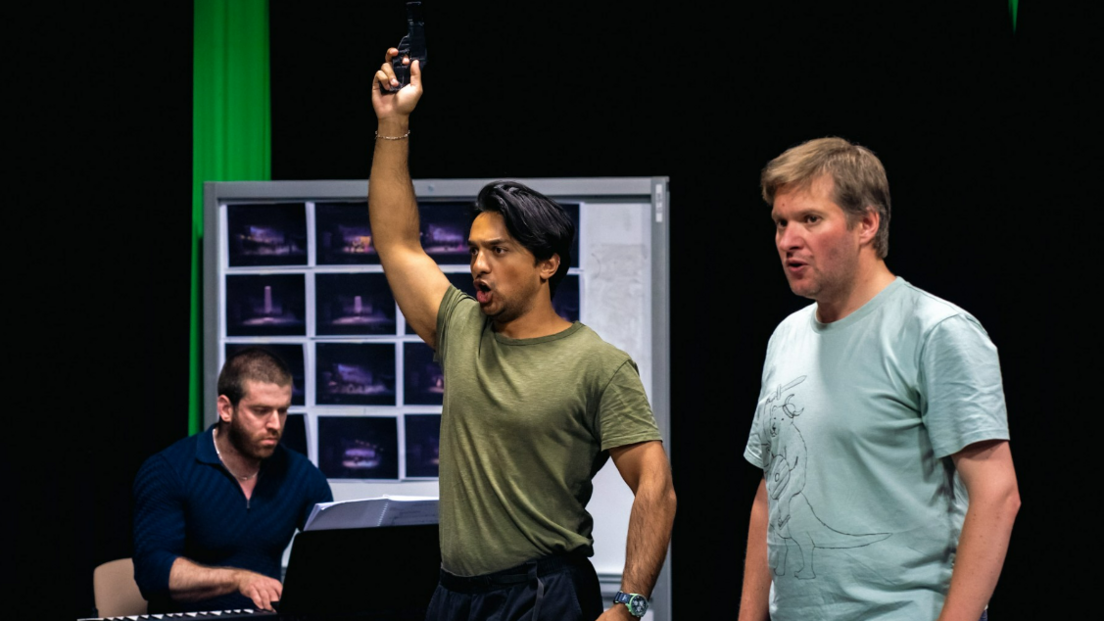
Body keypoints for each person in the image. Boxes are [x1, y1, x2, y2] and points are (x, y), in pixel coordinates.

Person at [368, 49, 676, 621]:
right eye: (474, 250)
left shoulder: (598, 364)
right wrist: (393, 124)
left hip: (542, 595)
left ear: (547, 264)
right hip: (452, 596)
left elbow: (656, 486)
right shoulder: (461, 327)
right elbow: (398, 242)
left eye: (499, 250)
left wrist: (629, 606)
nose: (478, 265)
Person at [738, 137, 1021, 620]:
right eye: (781, 223)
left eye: (810, 219)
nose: (788, 240)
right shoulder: (786, 337)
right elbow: (772, 491)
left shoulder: (935, 331)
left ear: (866, 223)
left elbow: (997, 494)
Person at [132, 347, 332, 613]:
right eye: (261, 411)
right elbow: (152, 572)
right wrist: (238, 580)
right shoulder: (169, 470)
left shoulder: (301, 474)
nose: (275, 424)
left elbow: (333, 557)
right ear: (226, 409)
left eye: (282, 411)